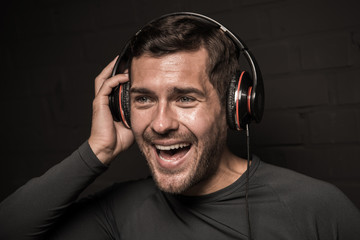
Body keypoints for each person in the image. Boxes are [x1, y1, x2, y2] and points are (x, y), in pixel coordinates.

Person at [0, 13, 359, 240]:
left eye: (185, 98)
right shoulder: (118, 213)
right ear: (122, 108)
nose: (160, 123)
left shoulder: (318, 209)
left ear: (235, 106)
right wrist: (98, 150)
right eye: (143, 99)